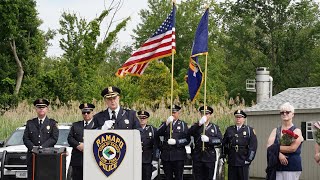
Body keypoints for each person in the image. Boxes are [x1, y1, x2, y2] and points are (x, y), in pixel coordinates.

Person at [23, 98, 59, 180]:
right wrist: (33, 148)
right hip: (32, 157)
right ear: (36, 109)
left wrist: (42, 148)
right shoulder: (30, 123)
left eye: (43, 107)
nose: (41, 109)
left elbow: (54, 138)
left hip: (47, 156)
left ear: (47, 109)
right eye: (39, 107)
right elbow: (26, 138)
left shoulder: (52, 123)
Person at [266, 102, 304, 180]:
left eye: (287, 112)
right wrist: (279, 154)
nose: (284, 114)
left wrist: (275, 150)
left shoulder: (297, 131)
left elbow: (292, 148)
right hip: (277, 167)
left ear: (293, 114)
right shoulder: (275, 130)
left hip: (292, 166)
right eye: (282, 112)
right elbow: (269, 147)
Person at [188, 106, 223, 180]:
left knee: (209, 177)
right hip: (198, 156)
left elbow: (220, 140)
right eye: (203, 113)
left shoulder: (215, 128)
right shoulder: (196, 126)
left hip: (209, 156)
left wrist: (209, 140)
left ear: (210, 115)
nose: (205, 115)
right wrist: (199, 124)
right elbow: (189, 133)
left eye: (207, 114)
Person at [157, 105, 190, 180]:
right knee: (168, 177)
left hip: (178, 156)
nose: (173, 114)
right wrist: (166, 123)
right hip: (167, 156)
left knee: (179, 177)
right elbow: (157, 133)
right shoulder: (165, 123)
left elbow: (187, 140)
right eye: (171, 112)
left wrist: (176, 141)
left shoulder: (183, 125)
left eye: (174, 112)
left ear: (178, 113)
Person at [222, 109, 257, 180]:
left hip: (243, 161)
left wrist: (249, 159)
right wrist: (224, 156)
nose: (238, 119)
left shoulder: (249, 130)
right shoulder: (229, 129)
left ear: (244, 119)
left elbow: (253, 147)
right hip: (232, 160)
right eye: (236, 117)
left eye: (240, 117)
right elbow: (224, 144)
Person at [68, 103, 96, 180]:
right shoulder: (76, 125)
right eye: (84, 112)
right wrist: (78, 145)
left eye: (88, 112)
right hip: (78, 160)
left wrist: (86, 146)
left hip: (92, 160)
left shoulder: (97, 125)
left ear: (92, 112)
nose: (86, 114)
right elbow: (70, 138)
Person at [137, 110, 160, 180]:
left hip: (147, 159)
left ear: (147, 119)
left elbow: (157, 145)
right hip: (136, 159)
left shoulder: (152, 130)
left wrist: (155, 158)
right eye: (140, 118)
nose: (142, 120)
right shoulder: (134, 129)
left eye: (144, 118)